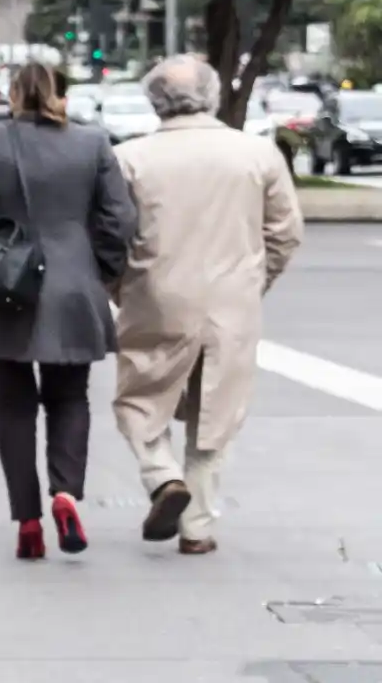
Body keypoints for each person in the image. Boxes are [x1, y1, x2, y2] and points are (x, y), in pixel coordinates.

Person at [0, 62, 137, 560]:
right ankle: (66, 493)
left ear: (10, 95)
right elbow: (120, 219)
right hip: (73, 283)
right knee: (70, 397)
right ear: (61, 96)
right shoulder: (92, 143)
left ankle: (27, 519)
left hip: (1, 281)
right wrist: (101, 269)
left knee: (12, 403)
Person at [111, 56, 303, 555]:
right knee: (215, 414)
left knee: (139, 399)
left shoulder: (129, 158)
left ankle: (161, 475)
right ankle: (197, 526)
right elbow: (285, 233)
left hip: (155, 295)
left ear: (155, 100)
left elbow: (109, 236)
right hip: (232, 301)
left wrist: (120, 287)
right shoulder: (257, 154)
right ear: (212, 95)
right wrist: (254, 282)